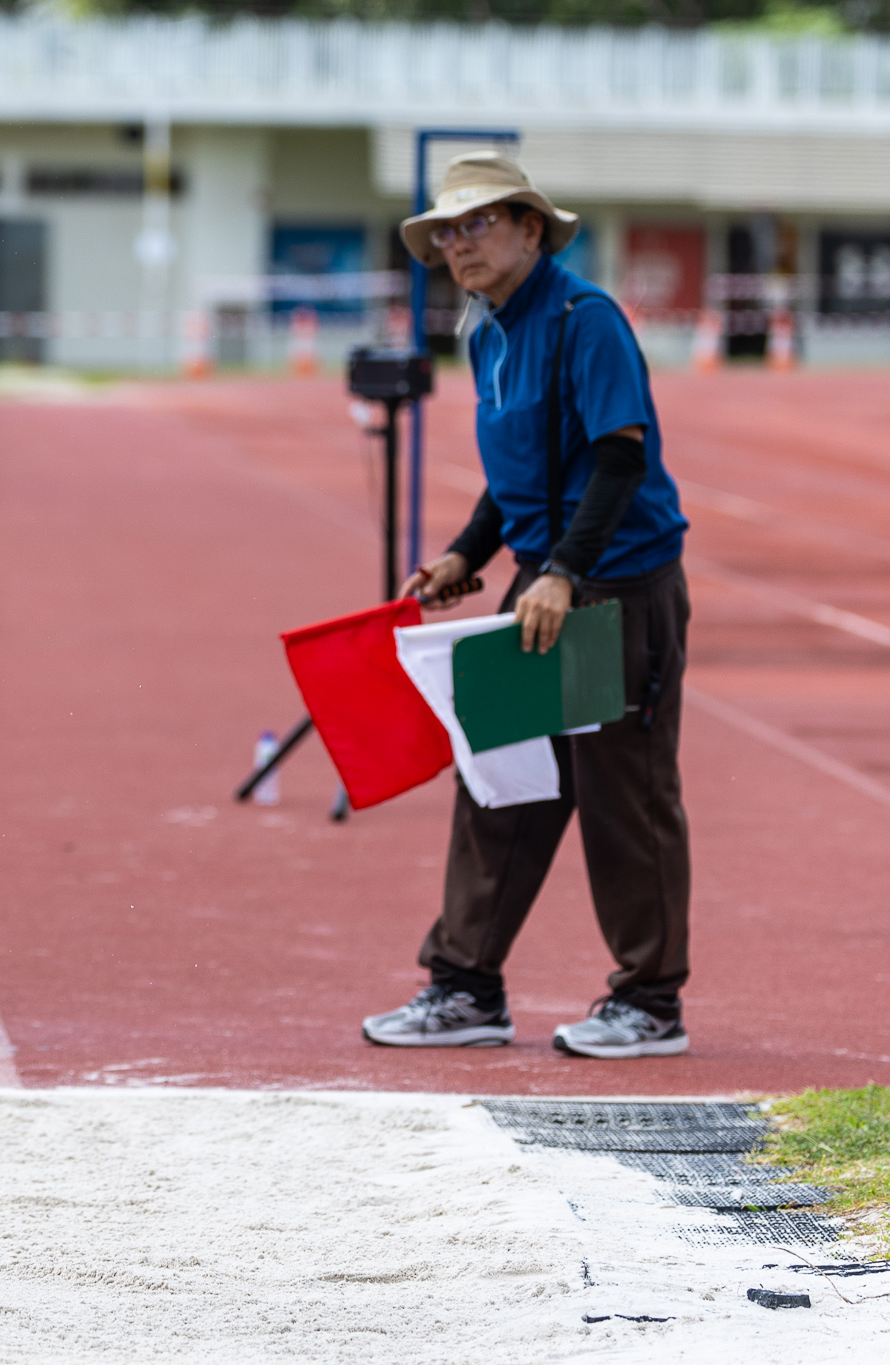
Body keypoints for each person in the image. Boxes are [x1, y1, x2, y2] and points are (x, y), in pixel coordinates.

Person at [363, 152, 692, 1061]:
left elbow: (618, 457)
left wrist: (562, 573)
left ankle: (650, 1002)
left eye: (476, 224)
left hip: (613, 583)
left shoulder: (588, 321)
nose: (458, 245)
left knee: (623, 793)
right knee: (498, 780)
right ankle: (467, 985)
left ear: (530, 229)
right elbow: (521, 475)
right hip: (545, 580)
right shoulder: (486, 332)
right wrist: (467, 556)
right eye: (446, 232)